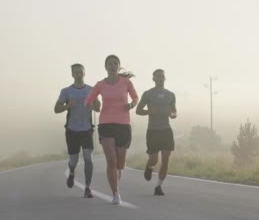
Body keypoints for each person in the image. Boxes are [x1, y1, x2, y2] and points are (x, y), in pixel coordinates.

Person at [85, 55, 139, 205]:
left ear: (119, 66)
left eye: (115, 63)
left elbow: (135, 97)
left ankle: (118, 170)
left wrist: (132, 105)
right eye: (110, 64)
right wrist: (95, 105)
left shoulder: (126, 82)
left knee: (120, 163)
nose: (113, 66)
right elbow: (88, 101)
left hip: (123, 124)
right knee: (111, 161)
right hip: (106, 124)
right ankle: (115, 193)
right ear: (106, 67)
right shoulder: (100, 85)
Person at [54, 63, 100, 198]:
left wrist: (94, 105)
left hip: (86, 129)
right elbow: (56, 109)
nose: (79, 74)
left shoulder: (91, 90)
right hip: (72, 130)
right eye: (76, 72)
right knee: (73, 160)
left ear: (84, 73)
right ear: (72, 74)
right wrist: (68, 105)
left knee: (88, 158)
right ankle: (72, 172)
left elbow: (98, 108)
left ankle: (88, 188)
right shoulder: (66, 91)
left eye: (81, 72)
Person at [136, 69, 177, 196]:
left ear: (165, 78)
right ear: (153, 79)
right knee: (154, 159)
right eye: (157, 76)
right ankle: (149, 167)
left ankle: (158, 186)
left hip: (166, 130)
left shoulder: (170, 95)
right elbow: (138, 110)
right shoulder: (148, 94)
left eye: (162, 76)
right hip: (153, 130)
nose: (160, 78)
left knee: (165, 160)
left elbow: (175, 112)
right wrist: (149, 112)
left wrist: (172, 114)